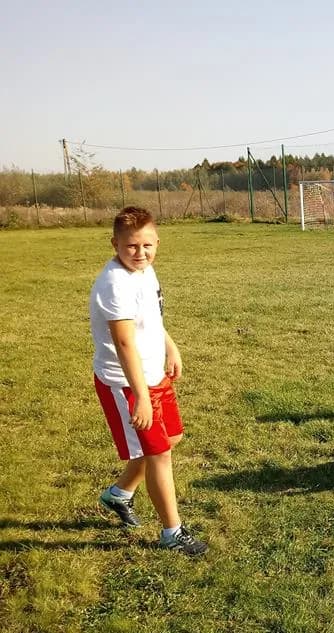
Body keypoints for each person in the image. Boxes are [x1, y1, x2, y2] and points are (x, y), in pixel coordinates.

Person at [91, 207, 207, 555]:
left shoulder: (145, 271)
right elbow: (124, 342)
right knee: (158, 454)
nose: (140, 253)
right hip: (125, 383)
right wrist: (140, 396)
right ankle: (172, 533)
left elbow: (152, 320)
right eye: (131, 247)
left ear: (157, 242)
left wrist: (171, 348)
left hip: (153, 373)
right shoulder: (114, 284)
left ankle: (119, 494)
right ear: (115, 244)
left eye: (147, 245)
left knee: (170, 438)